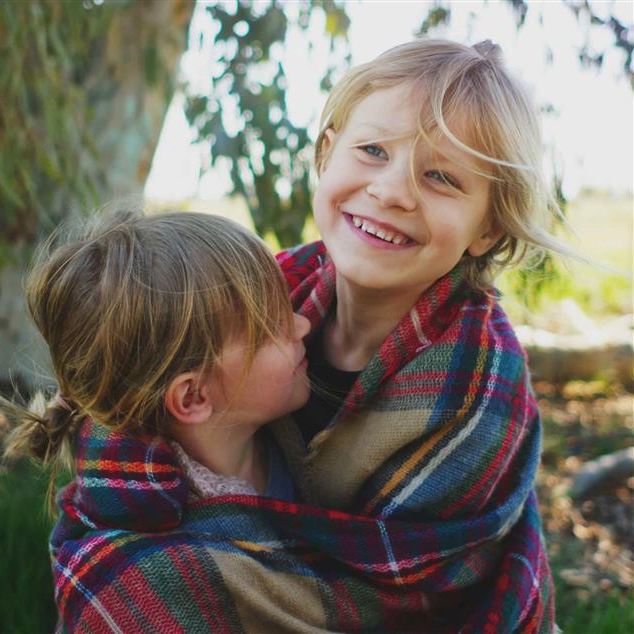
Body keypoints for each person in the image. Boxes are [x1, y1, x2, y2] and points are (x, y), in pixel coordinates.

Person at [49, 39, 561, 633]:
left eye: (442, 177)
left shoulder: (477, 384)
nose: (393, 191)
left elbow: (407, 589)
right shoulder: (259, 293)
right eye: (372, 150)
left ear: (487, 227)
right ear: (327, 152)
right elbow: (128, 401)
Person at [0, 210, 310, 513]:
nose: (304, 325)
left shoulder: (289, 442)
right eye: (272, 328)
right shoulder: (168, 545)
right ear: (192, 396)